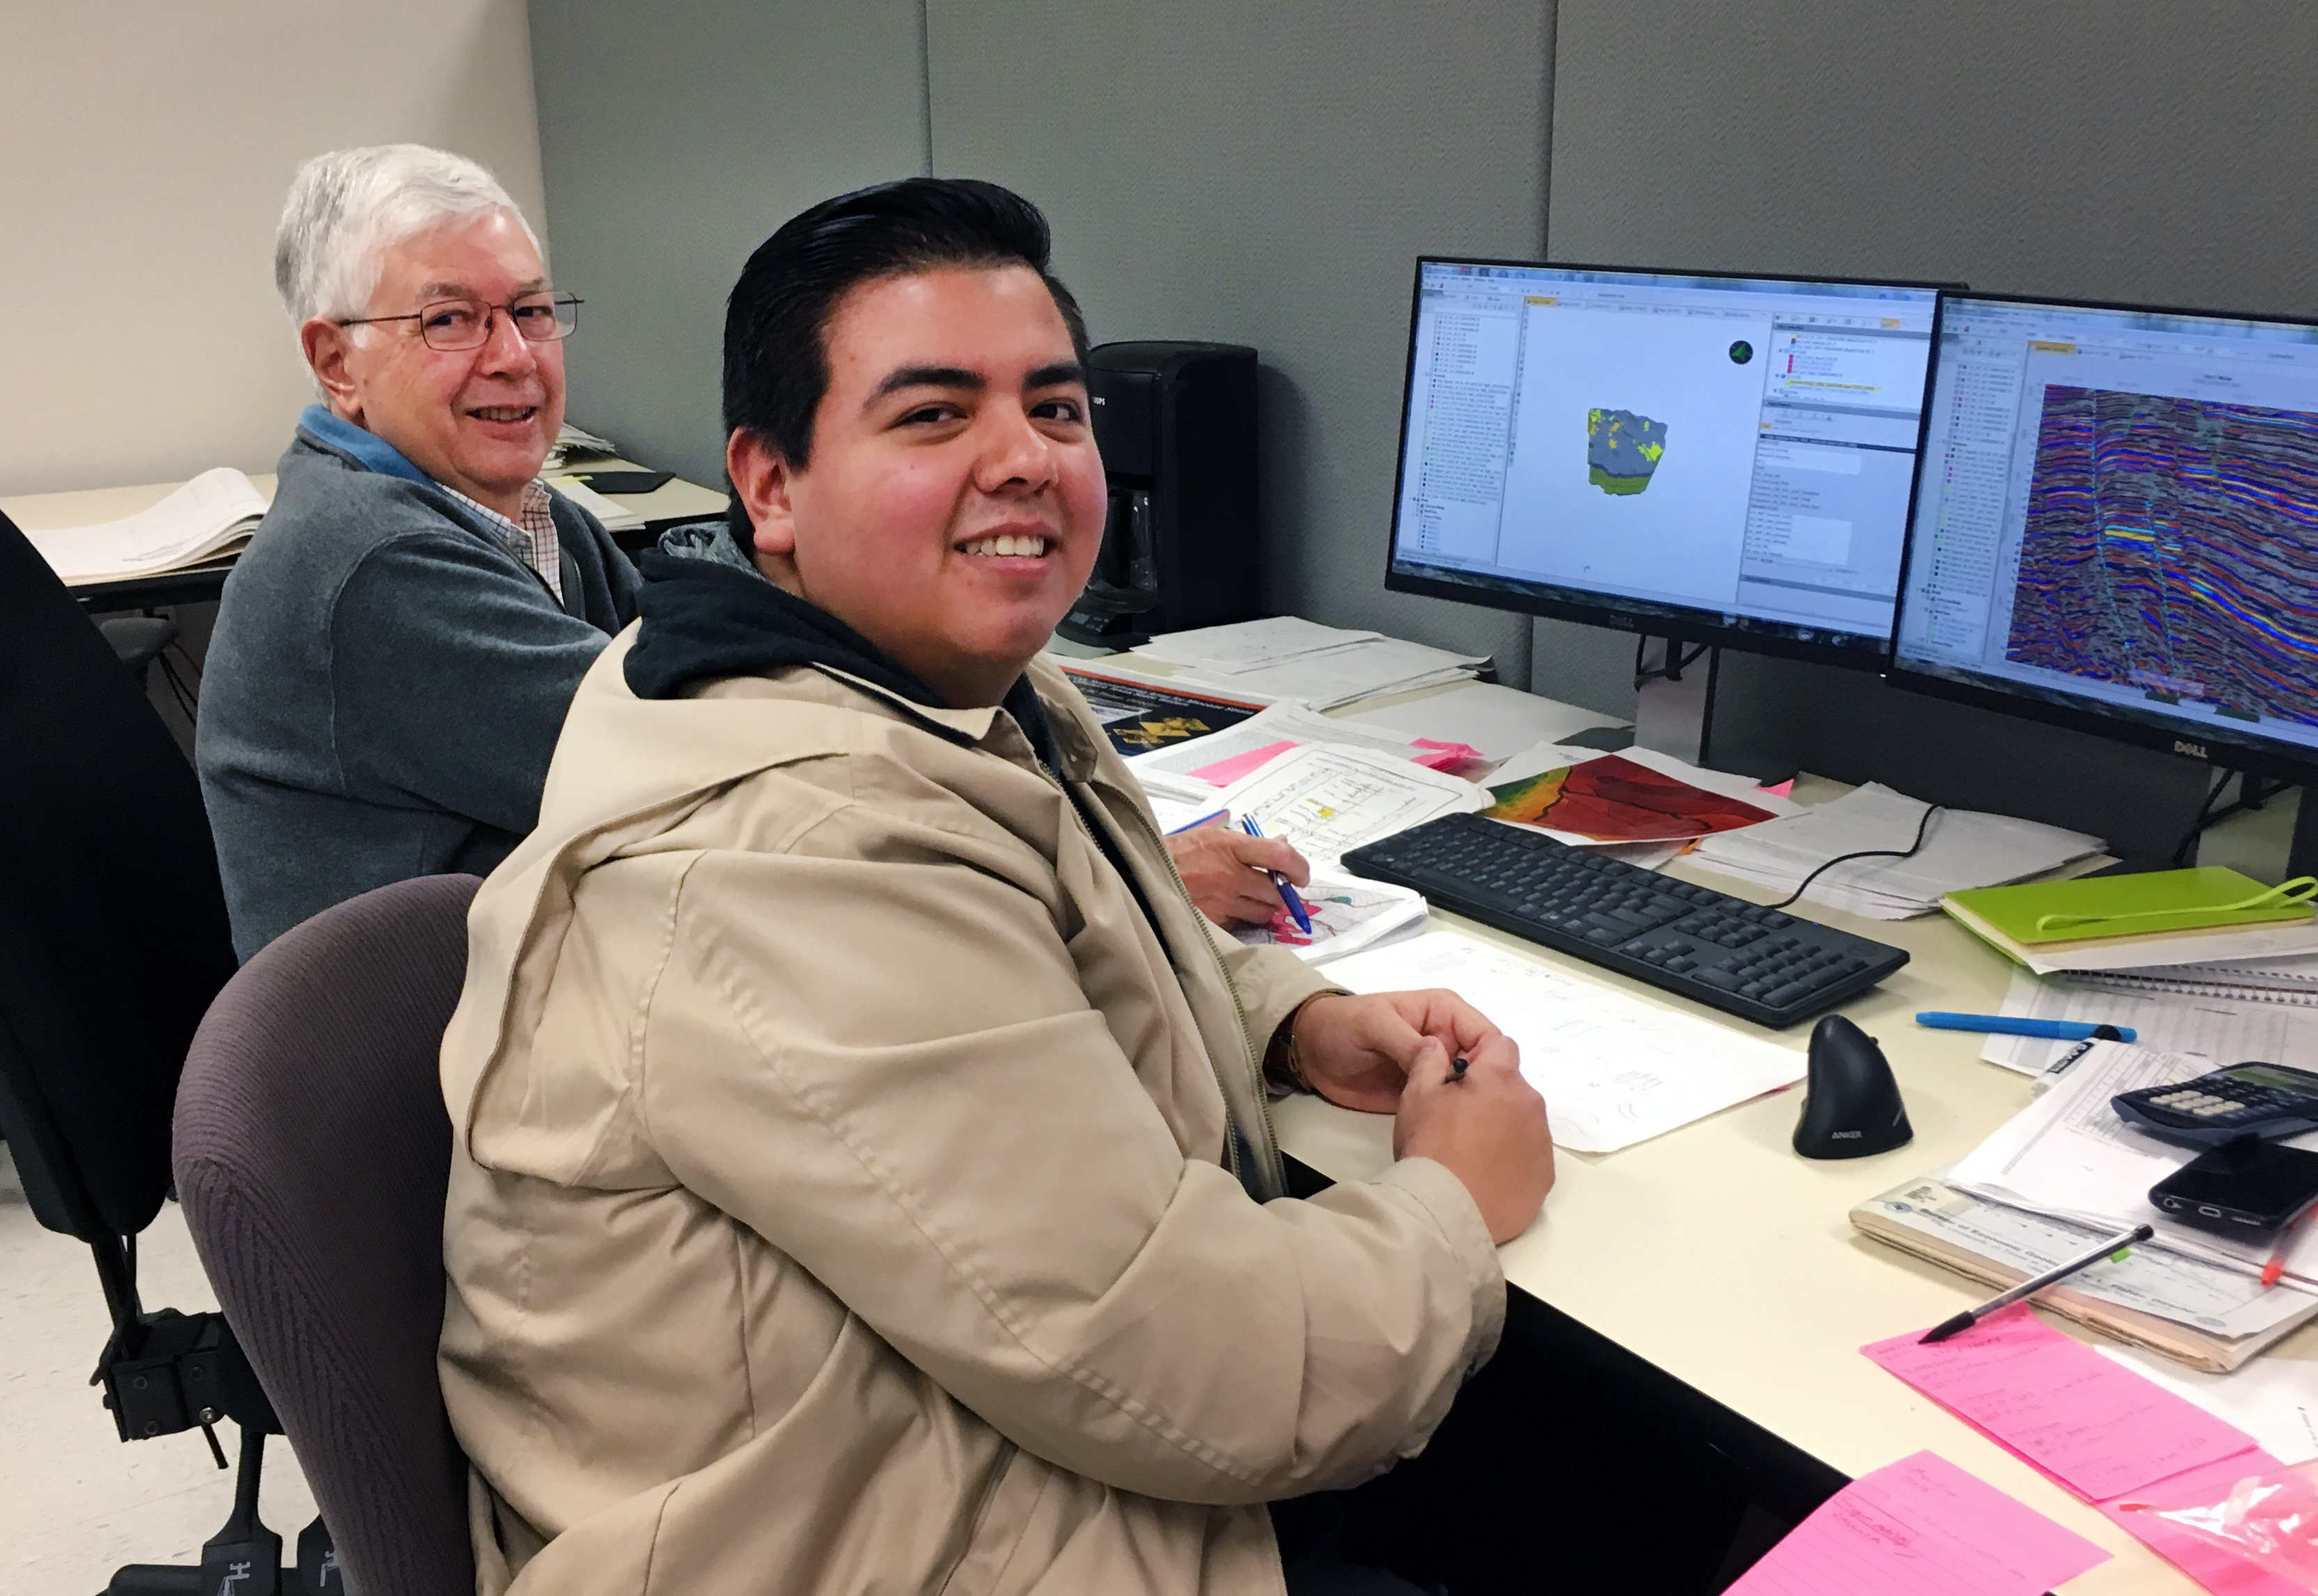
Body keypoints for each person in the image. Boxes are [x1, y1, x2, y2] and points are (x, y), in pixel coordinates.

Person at [437, 177, 1554, 1596]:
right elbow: (1225, 1382)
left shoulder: (926, 685)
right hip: (841, 1538)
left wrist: (1283, 1016)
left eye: (1055, 407)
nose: (1020, 456)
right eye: (931, 413)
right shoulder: (787, 857)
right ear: (770, 485)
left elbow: (1068, 914)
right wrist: (1456, 1203)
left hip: (940, 1445)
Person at [195, 144, 641, 961]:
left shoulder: (539, 519)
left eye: (531, 311)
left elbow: (680, 661)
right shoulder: (375, 564)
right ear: (338, 365)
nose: (513, 356)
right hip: (426, 1055)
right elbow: (683, 764)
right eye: (449, 320)